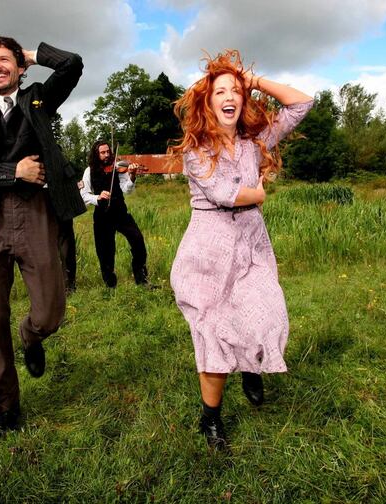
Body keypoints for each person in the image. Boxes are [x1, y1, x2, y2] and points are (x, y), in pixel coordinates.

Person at [168, 50, 313, 450]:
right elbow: (225, 193)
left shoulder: (256, 141)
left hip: (251, 247)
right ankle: (210, 420)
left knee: (266, 311)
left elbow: (302, 104)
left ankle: (251, 367)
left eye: (236, 91)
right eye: (220, 91)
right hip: (207, 255)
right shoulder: (196, 151)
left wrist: (255, 80)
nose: (229, 96)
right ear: (208, 102)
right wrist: (259, 193)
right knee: (213, 335)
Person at [0, 36, 84, 433]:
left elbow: (73, 63)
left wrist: (30, 54)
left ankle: (31, 336)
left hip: (36, 214)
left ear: (20, 68)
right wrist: (12, 172)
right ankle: (6, 410)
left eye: (3, 59)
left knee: (50, 310)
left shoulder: (39, 99)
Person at [79, 141, 148, 287]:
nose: (106, 155)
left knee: (138, 240)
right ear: (96, 155)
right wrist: (97, 197)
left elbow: (127, 190)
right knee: (105, 252)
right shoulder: (88, 171)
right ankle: (110, 285)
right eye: (102, 153)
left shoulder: (117, 169)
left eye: (108, 152)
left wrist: (132, 176)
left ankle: (141, 278)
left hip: (120, 212)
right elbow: (84, 195)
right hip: (102, 215)